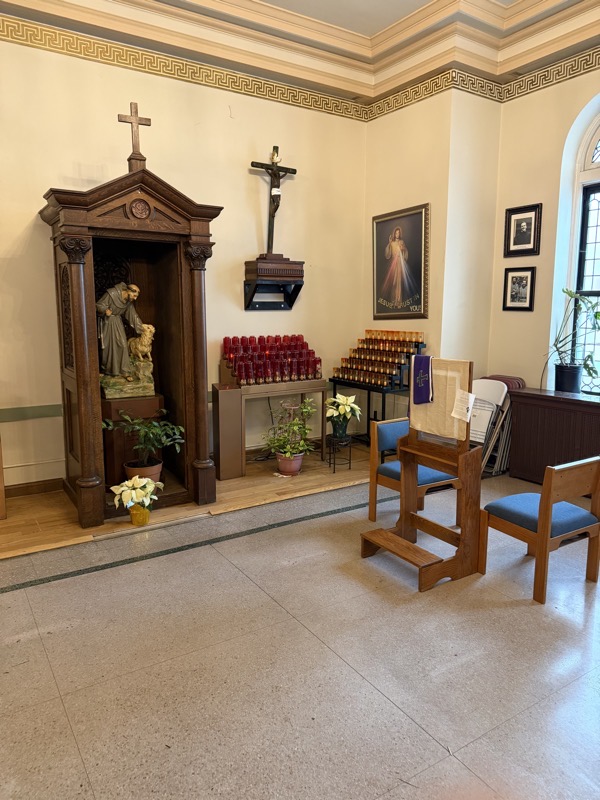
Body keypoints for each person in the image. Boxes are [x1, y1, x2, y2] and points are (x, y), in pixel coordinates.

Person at [96, 282, 144, 380]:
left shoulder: (128, 302)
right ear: (128, 291)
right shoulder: (111, 294)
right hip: (107, 323)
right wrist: (105, 310)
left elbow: (133, 315)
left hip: (117, 322)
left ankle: (124, 371)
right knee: (108, 347)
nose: (135, 298)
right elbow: (99, 305)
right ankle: (109, 371)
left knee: (123, 345)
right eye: (134, 295)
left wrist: (141, 327)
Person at [382, 227, 409, 305]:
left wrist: (403, 249)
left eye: (399, 233)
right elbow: (388, 254)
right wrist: (389, 243)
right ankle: (393, 299)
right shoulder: (392, 242)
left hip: (400, 264)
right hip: (393, 264)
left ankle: (398, 300)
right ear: (394, 233)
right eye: (396, 233)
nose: (397, 234)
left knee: (398, 281)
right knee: (393, 282)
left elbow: (405, 253)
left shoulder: (402, 242)